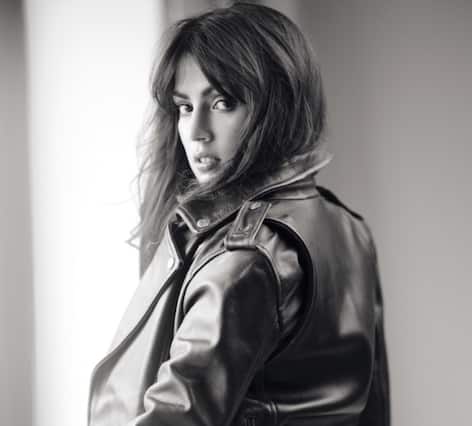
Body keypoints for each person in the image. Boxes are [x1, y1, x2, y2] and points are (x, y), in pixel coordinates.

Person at [88, 3, 390, 426]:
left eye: (222, 102)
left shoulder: (245, 257)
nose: (197, 132)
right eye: (185, 107)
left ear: (275, 106)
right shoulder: (350, 228)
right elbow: (373, 408)